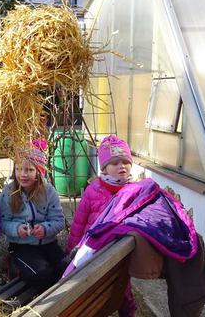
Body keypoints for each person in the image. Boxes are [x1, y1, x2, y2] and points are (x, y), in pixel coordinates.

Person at [65, 134, 137, 317]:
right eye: (115, 163)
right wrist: (72, 249)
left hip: (121, 253)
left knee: (123, 290)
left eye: (125, 162)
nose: (122, 166)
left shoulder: (135, 191)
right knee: (94, 290)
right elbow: (79, 223)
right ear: (104, 168)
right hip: (95, 252)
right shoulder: (93, 190)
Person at [0, 141, 66, 294]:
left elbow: (59, 221)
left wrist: (45, 228)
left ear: (38, 172)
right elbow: (2, 222)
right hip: (22, 245)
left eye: (29, 170)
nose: (23, 174)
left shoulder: (48, 191)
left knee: (66, 269)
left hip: (48, 243)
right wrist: (16, 229)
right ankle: (15, 266)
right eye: (18, 169)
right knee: (41, 274)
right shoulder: (9, 192)